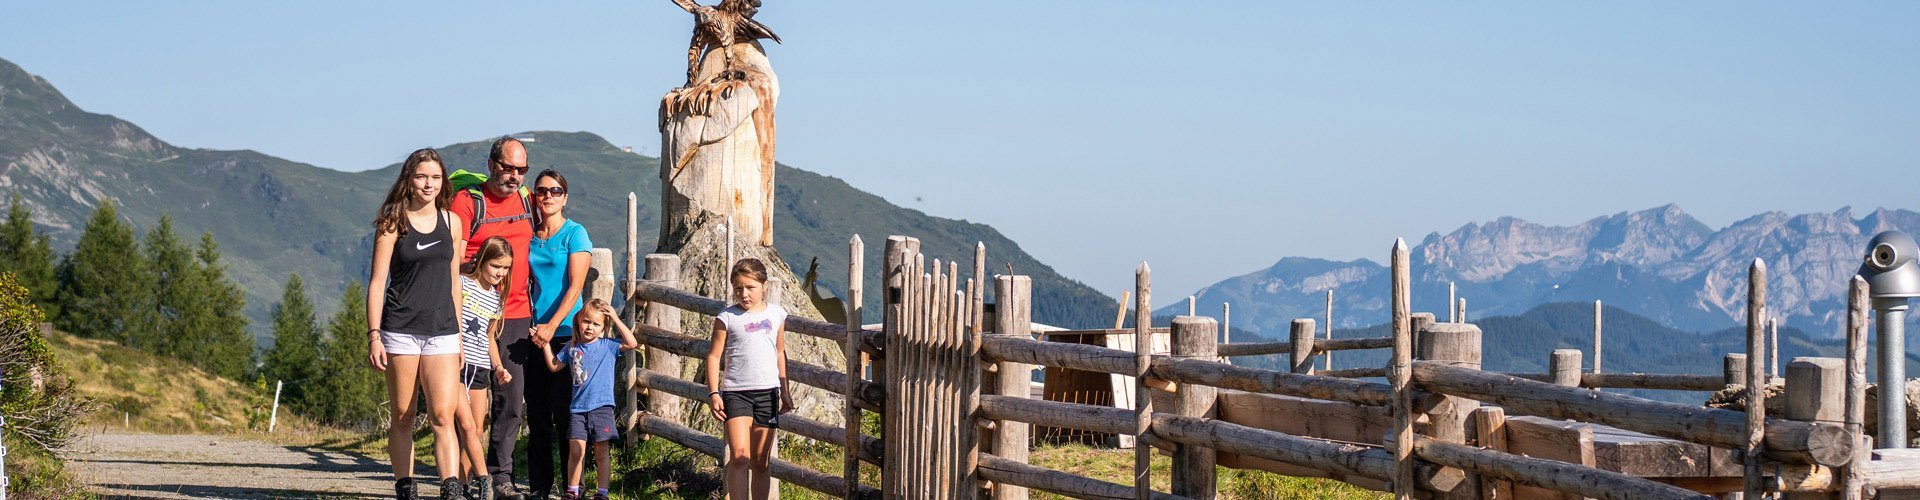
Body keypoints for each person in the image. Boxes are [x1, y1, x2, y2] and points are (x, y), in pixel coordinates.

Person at [366, 148, 467, 500]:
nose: (429, 183)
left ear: (443, 182)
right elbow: (378, 282)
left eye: (435, 177)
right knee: (404, 415)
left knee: (443, 414)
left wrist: (461, 338)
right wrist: (374, 336)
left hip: (443, 331)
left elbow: (454, 281)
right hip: (400, 331)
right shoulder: (393, 222)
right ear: (409, 179)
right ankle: (405, 486)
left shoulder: (452, 222)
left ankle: (450, 487)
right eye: (422, 176)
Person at [449, 137, 537, 500]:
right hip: (472, 314)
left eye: (521, 170)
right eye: (507, 167)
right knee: (469, 406)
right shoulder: (468, 202)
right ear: (491, 164)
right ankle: (459, 478)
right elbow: (450, 259)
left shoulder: (528, 201)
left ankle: (500, 476)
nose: (514, 176)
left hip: (516, 313)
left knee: (512, 401)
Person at [525, 169, 593, 498]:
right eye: (541, 191)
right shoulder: (528, 235)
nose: (548, 196)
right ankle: (539, 487)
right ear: (535, 197)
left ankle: (572, 486)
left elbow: (576, 285)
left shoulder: (574, 234)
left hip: (566, 334)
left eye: (555, 190)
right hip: (532, 333)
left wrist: (552, 327)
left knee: (566, 415)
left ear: (565, 197)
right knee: (537, 415)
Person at [704, 258, 794, 500]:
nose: (744, 294)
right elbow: (713, 356)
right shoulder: (727, 317)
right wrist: (713, 392)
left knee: (761, 461)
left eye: (750, 287)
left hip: (768, 393)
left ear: (764, 286)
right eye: (738, 288)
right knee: (740, 456)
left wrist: (784, 390)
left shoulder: (777, 314)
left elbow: (779, 352)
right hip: (736, 392)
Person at [535, 300, 637, 500]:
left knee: (601, 452)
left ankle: (602, 492)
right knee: (576, 449)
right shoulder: (571, 348)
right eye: (586, 322)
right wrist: (546, 344)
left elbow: (632, 343)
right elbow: (554, 366)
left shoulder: (608, 345)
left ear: (603, 328)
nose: (590, 327)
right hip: (577, 409)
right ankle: (572, 490)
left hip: (602, 407)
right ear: (579, 322)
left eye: (596, 324)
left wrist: (615, 318)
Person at [455, 236, 515, 500]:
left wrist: (498, 366)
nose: (500, 273)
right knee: (463, 425)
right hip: (457, 362)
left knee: (477, 429)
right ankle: (465, 482)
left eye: (505, 268)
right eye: (495, 266)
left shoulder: (496, 298)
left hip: (480, 366)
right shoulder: (462, 284)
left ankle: (463, 483)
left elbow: (490, 337)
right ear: (481, 260)